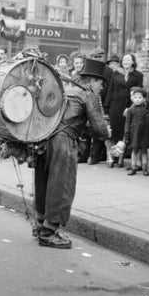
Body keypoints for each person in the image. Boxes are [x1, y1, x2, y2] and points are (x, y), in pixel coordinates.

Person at [34, 58, 111, 249]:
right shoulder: (88, 94)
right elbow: (100, 129)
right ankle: (49, 232)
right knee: (62, 185)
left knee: (43, 182)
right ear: (93, 80)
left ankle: (40, 224)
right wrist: (108, 132)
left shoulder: (64, 88)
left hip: (44, 139)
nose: (102, 87)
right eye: (101, 82)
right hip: (63, 142)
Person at [104, 53, 143, 168]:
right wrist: (106, 107)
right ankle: (111, 157)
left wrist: (132, 107)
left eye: (128, 60)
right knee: (113, 132)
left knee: (124, 133)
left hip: (129, 107)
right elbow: (110, 91)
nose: (125, 62)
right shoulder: (115, 74)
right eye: (124, 60)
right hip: (115, 106)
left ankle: (120, 158)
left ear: (133, 62)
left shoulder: (138, 75)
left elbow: (138, 91)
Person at [124, 87, 149, 176]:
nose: (137, 99)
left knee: (144, 151)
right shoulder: (130, 110)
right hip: (134, 133)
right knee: (134, 150)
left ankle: (145, 169)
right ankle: (133, 167)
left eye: (140, 97)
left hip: (144, 133)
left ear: (144, 99)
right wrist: (126, 133)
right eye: (135, 97)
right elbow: (127, 123)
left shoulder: (146, 109)